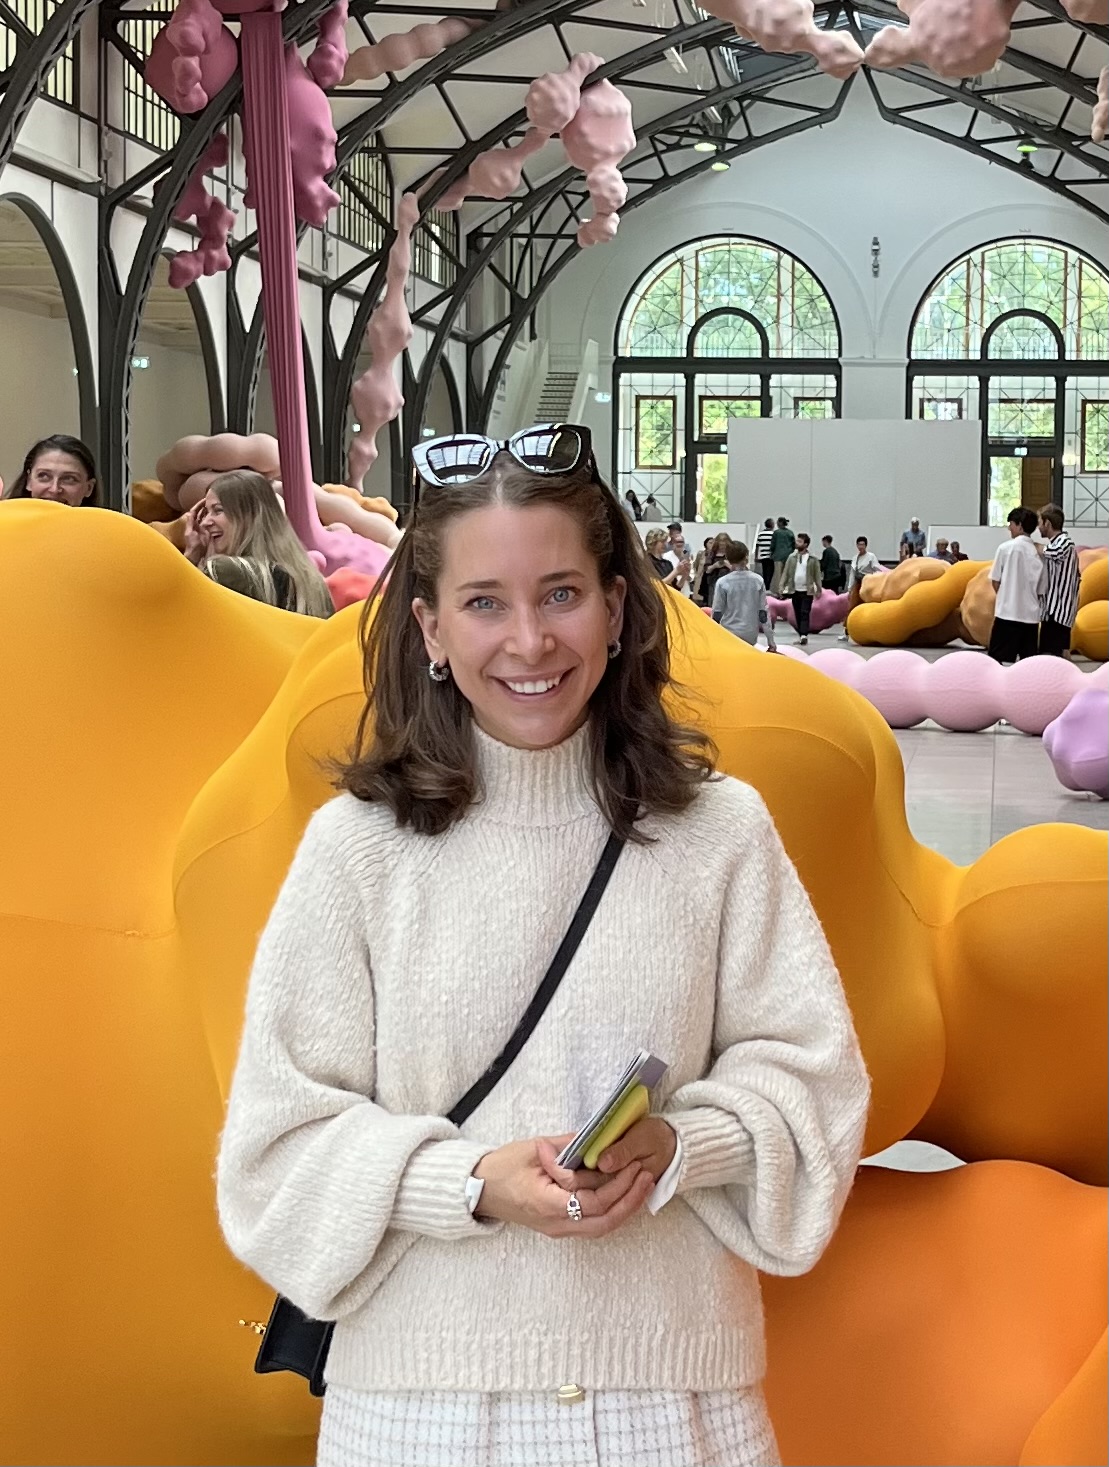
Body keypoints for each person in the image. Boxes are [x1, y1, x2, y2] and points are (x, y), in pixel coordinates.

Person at [216, 422, 869, 1467]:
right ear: (428, 628)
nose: (529, 641)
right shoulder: (358, 852)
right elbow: (274, 1148)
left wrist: (676, 1147)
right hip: (417, 1417)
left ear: (615, 606)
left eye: (560, 593)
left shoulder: (719, 833)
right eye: (484, 603)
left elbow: (812, 1086)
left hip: (677, 1408)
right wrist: (469, 1180)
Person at [183, 470, 334, 618]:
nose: (205, 522)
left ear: (250, 516)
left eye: (218, 510)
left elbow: (176, 614)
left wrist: (191, 556)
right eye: (206, 513)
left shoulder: (223, 570)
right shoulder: (314, 583)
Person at [988, 507, 1044, 664]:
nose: (1009, 528)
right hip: (1031, 618)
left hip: (1007, 614)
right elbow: (1041, 589)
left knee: (997, 663)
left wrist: (1006, 597)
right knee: (1028, 666)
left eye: (1011, 524)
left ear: (1019, 525)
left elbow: (995, 580)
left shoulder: (1005, 548)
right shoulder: (1038, 553)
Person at [712, 539, 778, 652]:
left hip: (728, 633)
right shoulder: (758, 580)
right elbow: (763, 612)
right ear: (746, 557)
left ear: (728, 558)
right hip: (750, 633)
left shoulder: (722, 583)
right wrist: (770, 641)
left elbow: (717, 612)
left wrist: (712, 638)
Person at [2, 434, 102, 507]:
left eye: (69, 479)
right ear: (29, 481)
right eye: (44, 476)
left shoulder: (108, 533)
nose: (54, 490)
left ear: (89, 488)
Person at [1037, 503, 1080, 658]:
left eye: (1040, 523)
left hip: (1059, 611)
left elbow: (1052, 552)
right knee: (1054, 653)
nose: (1038, 527)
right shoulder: (1056, 542)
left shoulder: (1064, 542)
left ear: (1047, 523)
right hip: (1053, 611)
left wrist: (1025, 542)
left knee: (1052, 656)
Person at [838, 536, 883, 640]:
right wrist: (849, 588)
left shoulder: (871, 556)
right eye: (859, 544)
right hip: (858, 584)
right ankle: (846, 632)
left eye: (862, 544)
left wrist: (877, 581)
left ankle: (869, 631)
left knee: (868, 608)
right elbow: (852, 574)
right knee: (852, 607)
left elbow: (877, 569)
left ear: (866, 545)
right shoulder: (855, 558)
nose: (861, 546)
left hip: (868, 584)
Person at [782, 531, 822, 646]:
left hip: (807, 590)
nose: (797, 543)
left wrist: (819, 589)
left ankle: (804, 634)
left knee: (805, 612)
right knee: (797, 613)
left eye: (800, 541)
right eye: (797, 541)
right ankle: (801, 635)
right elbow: (786, 572)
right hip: (794, 589)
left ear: (806, 544)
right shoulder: (791, 558)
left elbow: (817, 575)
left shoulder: (812, 559)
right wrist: (782, 586)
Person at [663, 524, 694, 597]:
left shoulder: (686, 550)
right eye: (677, 542)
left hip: (684, 588)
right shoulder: (666, 554)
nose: (679, 544)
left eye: (681, 542)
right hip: (671, 588)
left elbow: (691, 576)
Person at [769, 516, 796, 596]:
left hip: (778, 556)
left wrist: (772, 553)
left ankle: (778, 592)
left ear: (780, 523)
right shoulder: (790, 533)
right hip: (788, 556)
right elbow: (793, 545)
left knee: (778, 575)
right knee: (787, 574)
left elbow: (772, 545)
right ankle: (786, 590)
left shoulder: (776, 533)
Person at [690, 535, 715, 605]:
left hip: (710, 578)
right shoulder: (701, 554)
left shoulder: (715, 555)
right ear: (706, 544)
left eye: (714, 543)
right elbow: (696, 565)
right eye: (710, 543)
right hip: (701, 576)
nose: (712, 544)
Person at [754, 518, 775, 590]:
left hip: (762, 556)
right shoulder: (774, 534)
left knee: (765, 571)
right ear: (772, 525)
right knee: (771, 572)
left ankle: (765, 586)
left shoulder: (760, 534)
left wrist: (756, 556)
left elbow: (757, 545)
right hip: (771, 556)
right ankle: (768, 586)